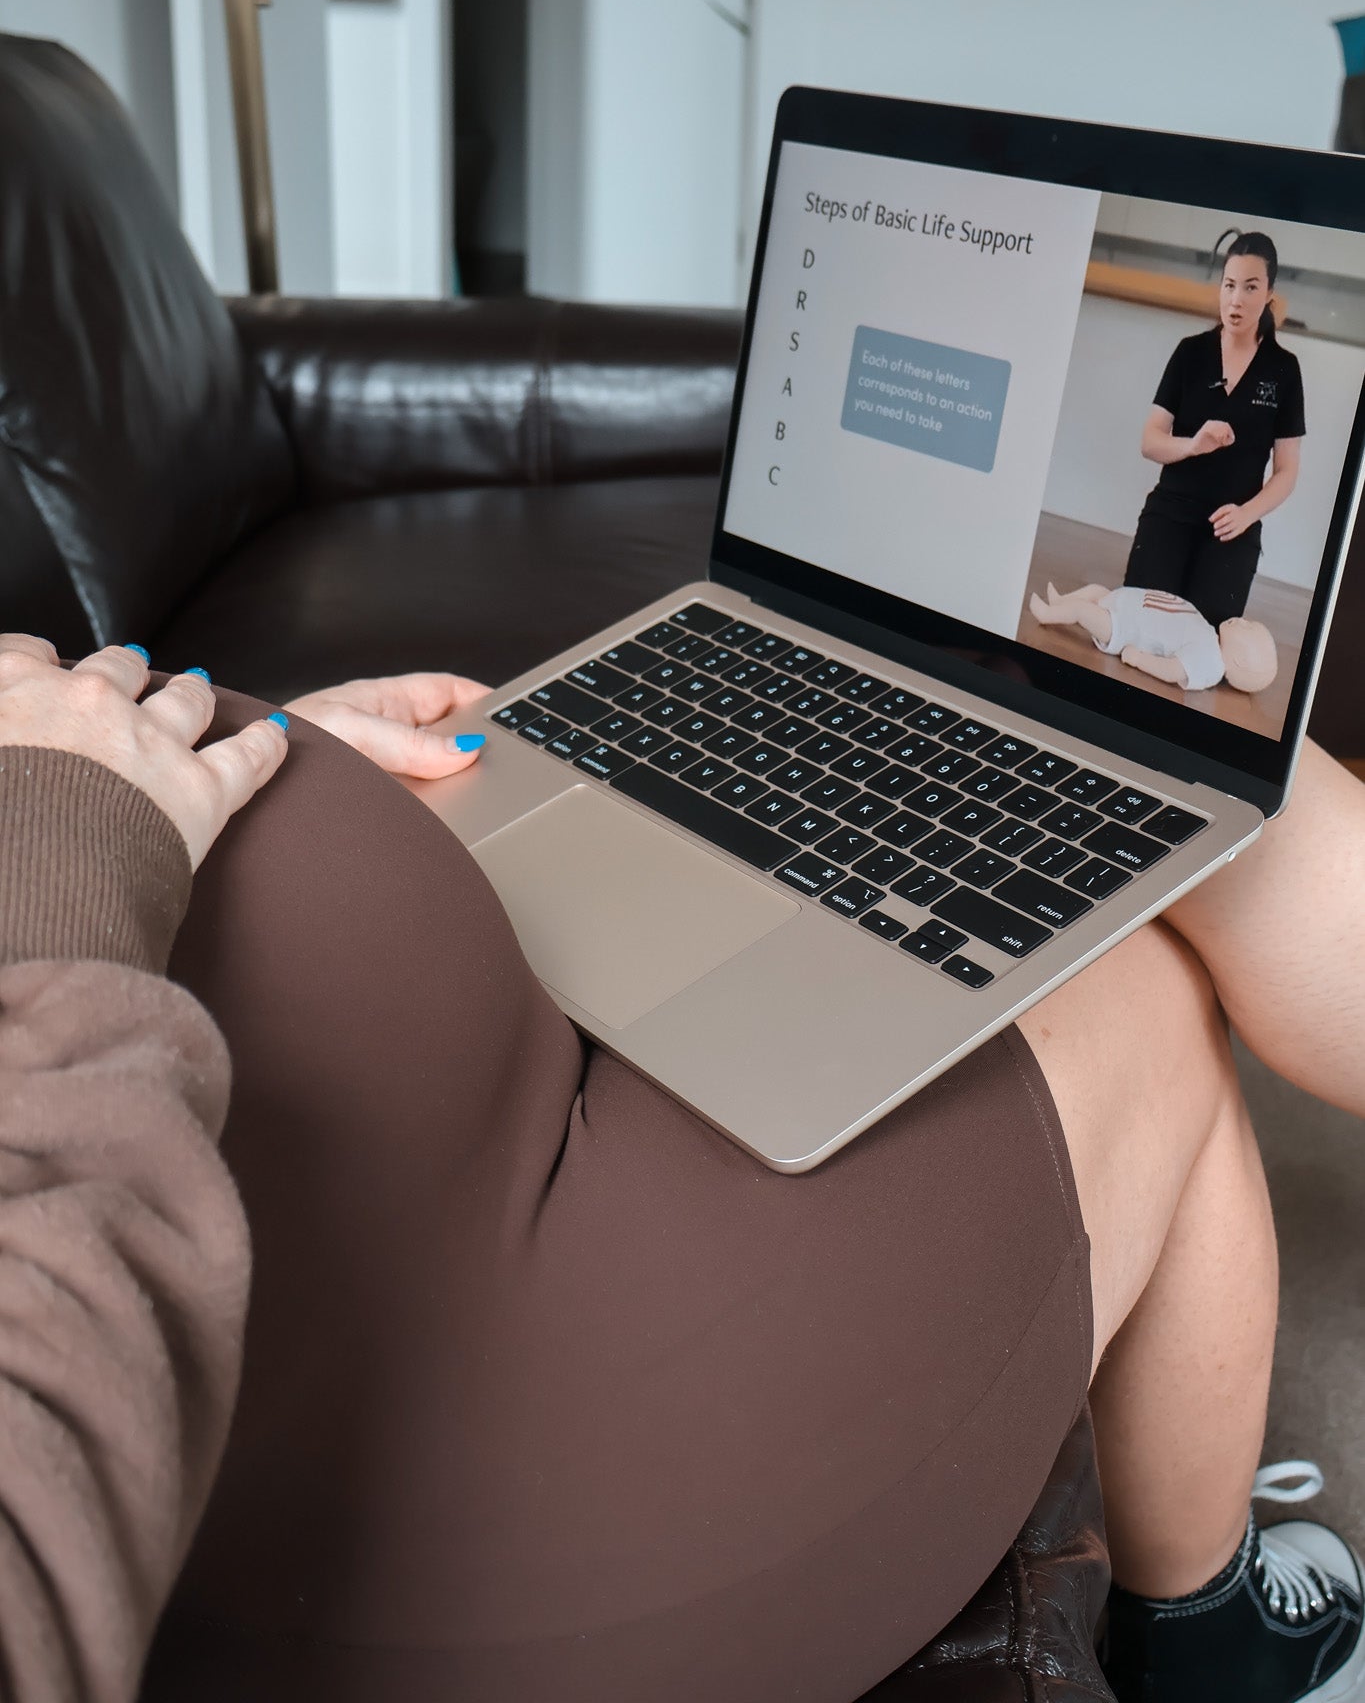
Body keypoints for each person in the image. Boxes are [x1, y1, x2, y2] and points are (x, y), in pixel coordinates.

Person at [0, 635, 1361, 1703]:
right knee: (1142, 905)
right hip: (499, 1499)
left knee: (1050, 744)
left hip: (421, 1188)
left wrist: (260, 771)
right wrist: (74, 821)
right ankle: (1206, 1635)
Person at [1124, 232, 1306, 629]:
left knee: (1203, 632)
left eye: (1250, 287)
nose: (1236, 299)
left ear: (1269, 293)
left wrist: (1246, 515)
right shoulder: (1191, 352)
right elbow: (1150, 440)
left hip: (1231, 526)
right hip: (1171, 510)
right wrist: (1193, 445)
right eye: (1229, 285)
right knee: (1141, 624)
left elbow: (1287, 471)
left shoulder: (1284, 369)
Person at [1029, 579, 1278, 693]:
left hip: (1120, 629)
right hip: (1121, 607)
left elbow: (1173, 671)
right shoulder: (1208, 634)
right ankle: (1061, 602)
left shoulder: (1210, 661)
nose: (1243, 620)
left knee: (1083, 611)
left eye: (1248, 627)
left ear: (1240, 662)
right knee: (1096, 591)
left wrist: (1138, 659)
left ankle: (1048, 614)